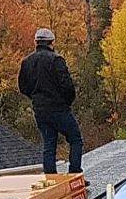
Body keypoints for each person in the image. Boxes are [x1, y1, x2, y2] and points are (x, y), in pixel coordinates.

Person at [17, 28, 82, 175]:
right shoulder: (56, 60)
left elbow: (23, 87)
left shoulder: (27, 62)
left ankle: (51, 178)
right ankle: (75, 174)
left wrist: (36, 99)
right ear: (52, 42)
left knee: (49, 144)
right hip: (59, 109)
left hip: (40, 111)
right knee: (75, 139)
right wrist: (67, 102)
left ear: (36, 42)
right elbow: (67, 85)